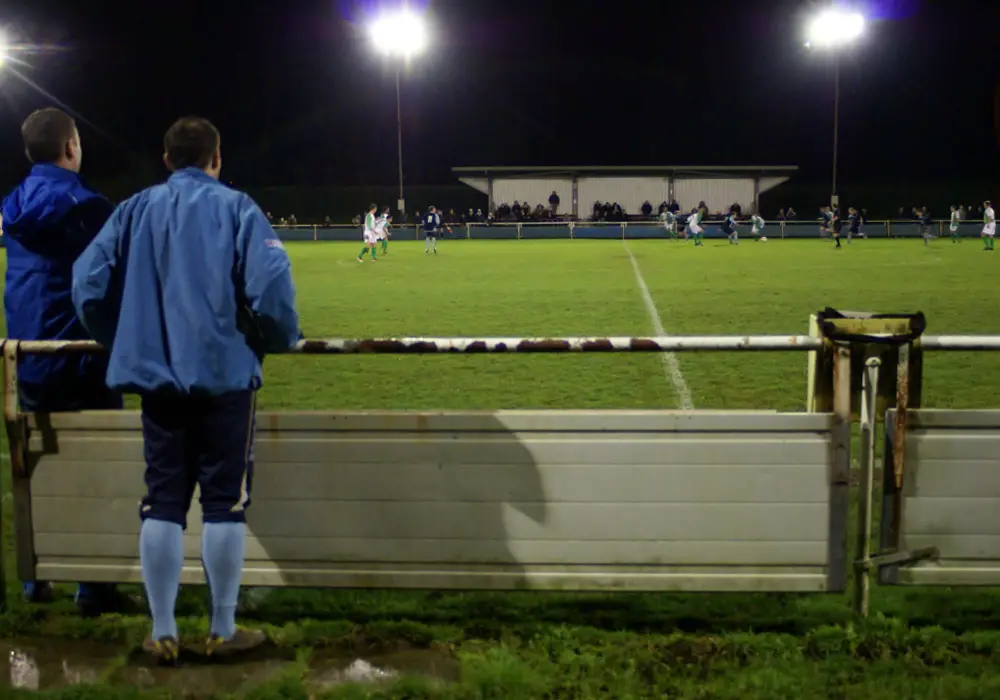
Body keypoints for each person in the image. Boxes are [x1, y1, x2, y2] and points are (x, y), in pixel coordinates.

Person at [71, 116, 300, 662]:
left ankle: (163, 632)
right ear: (216, 159)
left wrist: (125, 337)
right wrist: (275, 339)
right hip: (225, 379)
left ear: (167, 159)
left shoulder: (134, 209)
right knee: (224, 504)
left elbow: (86, 283)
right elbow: (271, 287)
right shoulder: (238, 208)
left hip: (158, 381)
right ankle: (222, 630)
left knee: (163, 502)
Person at [1, 107, 133, 617]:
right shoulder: (89, 207)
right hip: (81, 359)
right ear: (71, 147)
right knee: (98, 473)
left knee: (38, 468)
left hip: (27, 357)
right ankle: (94, 589)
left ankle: (35, 579)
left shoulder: (12, 206)